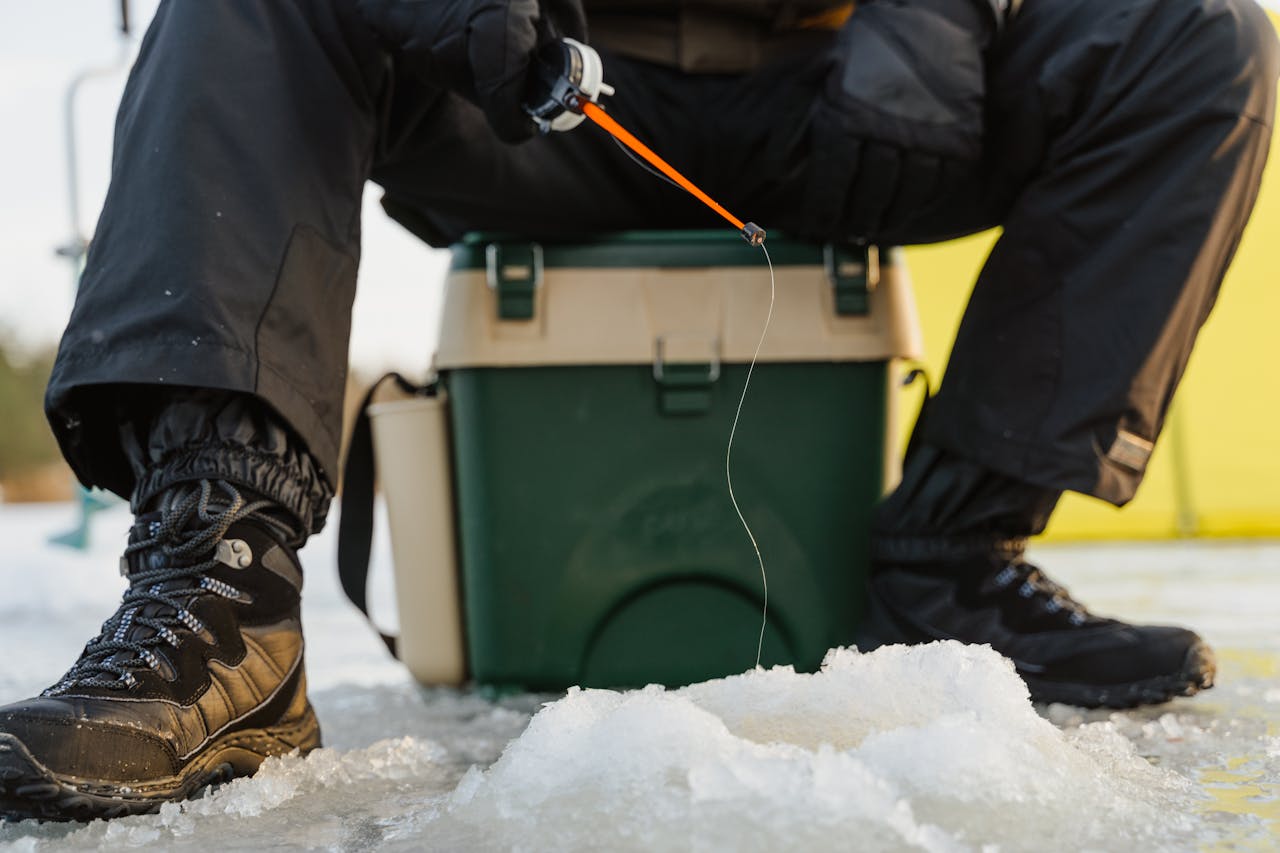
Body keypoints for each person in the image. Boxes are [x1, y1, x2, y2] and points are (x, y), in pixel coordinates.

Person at [0, 0, 1275, 821]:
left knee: (1203, 38)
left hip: (858, 87)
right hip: (539, 86)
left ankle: (953, 547)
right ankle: (223, 601)